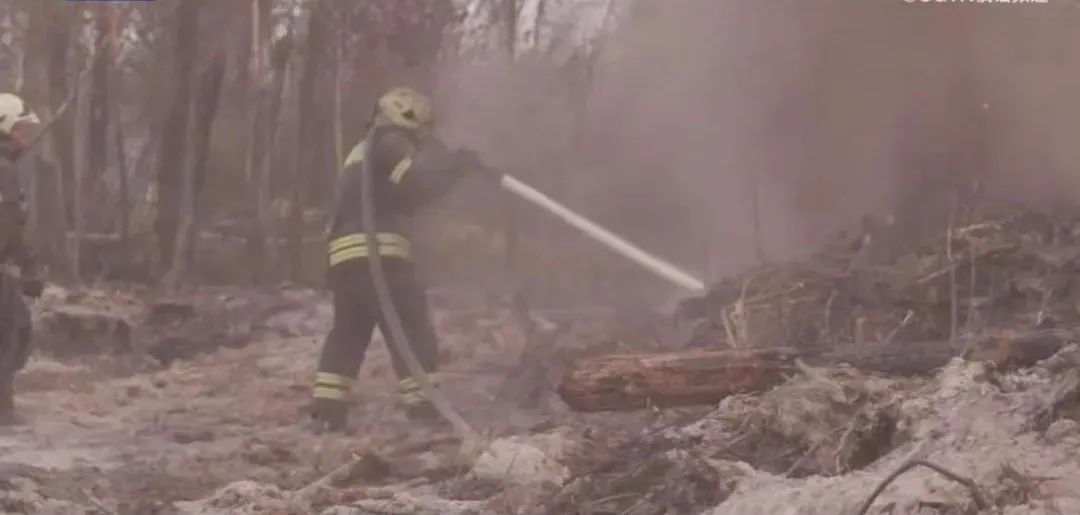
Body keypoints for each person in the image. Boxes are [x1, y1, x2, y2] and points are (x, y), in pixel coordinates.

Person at [309, 86, 487, 434]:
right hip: (380, 254)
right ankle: (424, 408)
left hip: (345, 260)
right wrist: (455, 165)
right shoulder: (390, 140)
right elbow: (420, 180)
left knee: (348, 333)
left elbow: (411, 194)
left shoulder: (362, 151)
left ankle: (327, 413)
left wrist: (455, 171)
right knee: (411, 326)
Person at [0, 93, 44, 426]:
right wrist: (29, 269)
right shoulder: (4, 170)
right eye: (20, 130)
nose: (24, 138)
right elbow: (10, 223)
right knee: (11, 333)